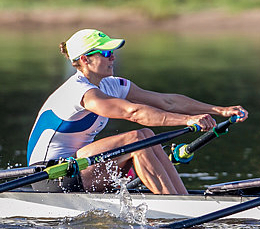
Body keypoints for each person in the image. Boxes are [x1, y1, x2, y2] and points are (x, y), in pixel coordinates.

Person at [27, 28, 248, 194]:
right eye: (106, 52)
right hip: (49, 176)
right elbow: (133, 113)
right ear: (85, 59)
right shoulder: (81, 92)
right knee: (135, 138)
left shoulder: (112, 85)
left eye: (112, 52)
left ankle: (181, 198)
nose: (113, 57)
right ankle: (175, 203)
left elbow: (167, 101)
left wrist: (219, 110)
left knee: (146, 136)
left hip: (78, 168)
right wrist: (189, 120)